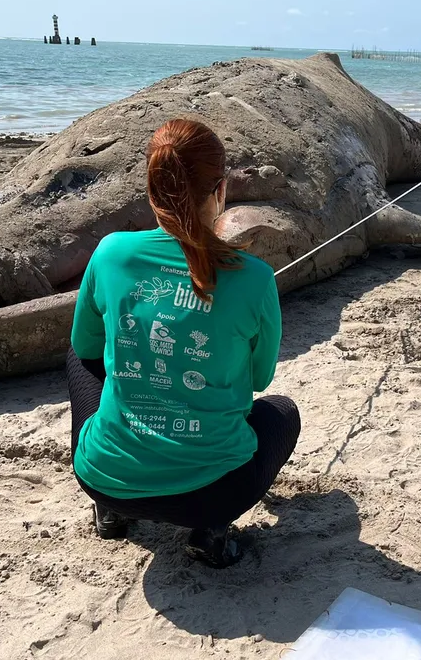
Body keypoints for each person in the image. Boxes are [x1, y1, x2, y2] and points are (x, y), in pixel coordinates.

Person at [66, 117, 301, 569]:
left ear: (153, 193)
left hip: (103, 477)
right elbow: (258, 379)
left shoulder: (112, 252)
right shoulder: (254, 277)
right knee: (283, 412)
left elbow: (87, 347)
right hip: (214, 496)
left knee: (80, 353)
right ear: (220, 191)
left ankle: (112, 509)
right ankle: (208, 534)